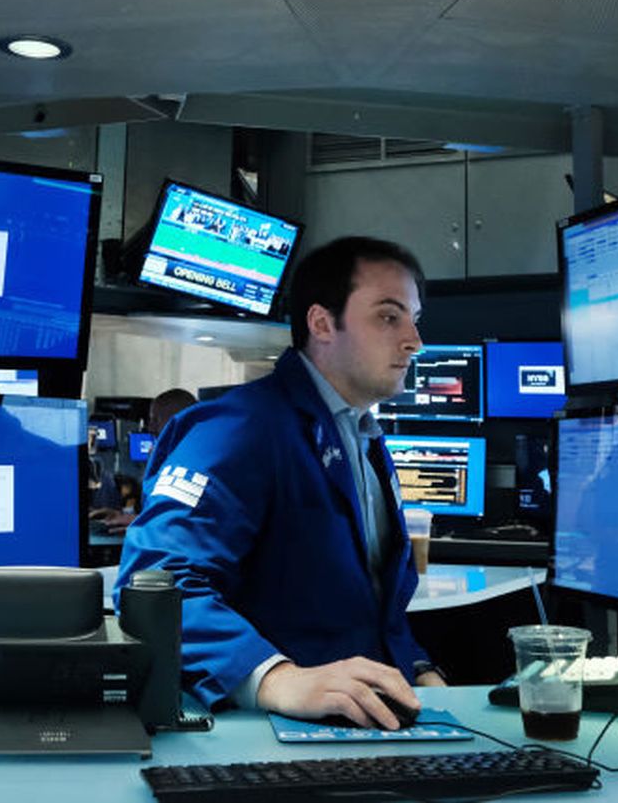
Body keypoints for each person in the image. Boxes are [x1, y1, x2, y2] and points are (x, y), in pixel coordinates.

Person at [115, 236, 444, 727]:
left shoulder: (360, 436)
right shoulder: (239, 428)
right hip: (271, 732)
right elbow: (156, 583)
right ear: (321, 323)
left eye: (414, 319)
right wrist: (275, 677)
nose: (414, 339)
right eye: (389, 316)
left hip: (364, 719)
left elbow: (365, 604)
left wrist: (417, 668)